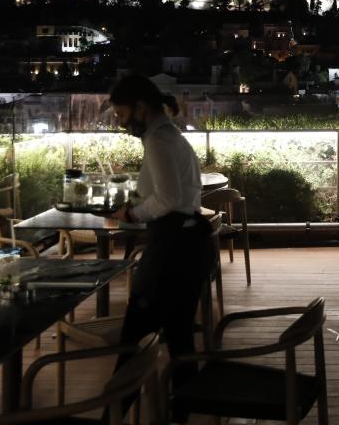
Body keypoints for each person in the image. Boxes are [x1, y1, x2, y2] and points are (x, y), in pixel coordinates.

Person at [107, 74, 214, 421]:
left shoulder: (159, 141)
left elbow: (167, 198)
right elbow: (176, 193)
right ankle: (181, 408)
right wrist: (138, 203)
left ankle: (114, 414)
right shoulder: (168, 135)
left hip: (172, 249)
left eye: (123, 115)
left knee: (133, 337)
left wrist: (133, 213)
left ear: (141, 108)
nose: (122, 124)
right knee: (179, 336)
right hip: (186, 244)